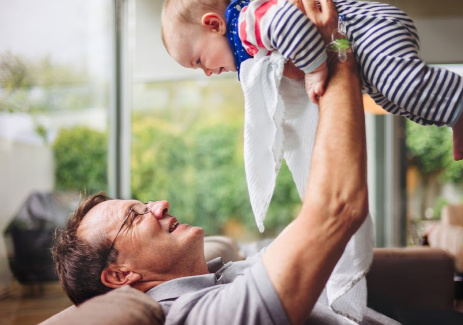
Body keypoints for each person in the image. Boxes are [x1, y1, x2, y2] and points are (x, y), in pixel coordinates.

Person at [52, 1, 376, 323]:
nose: (160, 205)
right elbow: (338, 208)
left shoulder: (223, 276)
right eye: (135, 217)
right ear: (120, 275)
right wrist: (338, 48)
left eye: (144, 204)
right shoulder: (197, 315)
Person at [160, 0, 463, 161]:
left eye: (200, 61)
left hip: (368, 30)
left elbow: (290, 23)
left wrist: (315, 70)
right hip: (356, 48)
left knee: (400, 85)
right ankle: (454, 116)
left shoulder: (247, 23)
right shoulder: (243, 49)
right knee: (388, 97)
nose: (207, 72)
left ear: (214, 25)